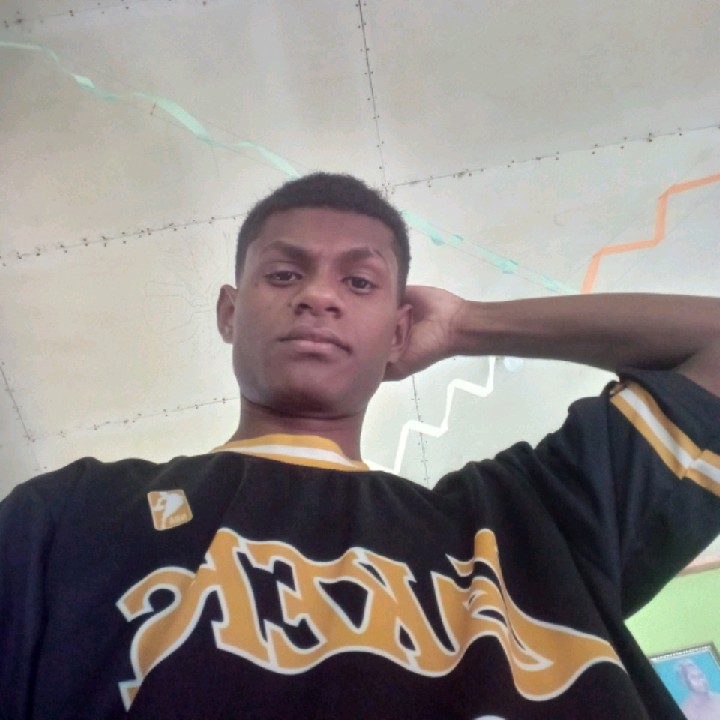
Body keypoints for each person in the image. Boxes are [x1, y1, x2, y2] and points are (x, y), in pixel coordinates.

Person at [0, 172, 719, 720]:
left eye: (359, 280)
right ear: (229, 312)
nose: (319, 296)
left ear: (399, 332)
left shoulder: (529, 526)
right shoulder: (72, 515)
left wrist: (467, 323)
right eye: (284, 274)